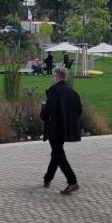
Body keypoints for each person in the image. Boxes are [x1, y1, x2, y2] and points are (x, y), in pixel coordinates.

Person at [41, 67, 83, 195]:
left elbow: (50, 106)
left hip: (54, 128)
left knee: (58, 153)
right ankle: (48, 178)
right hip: (66, 128)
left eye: (52, 76)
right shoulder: (73, 92)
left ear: (56, 77)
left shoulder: (54, 90)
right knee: (57, 152)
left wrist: (43, 115)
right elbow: (79, 110)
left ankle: (72, 181)